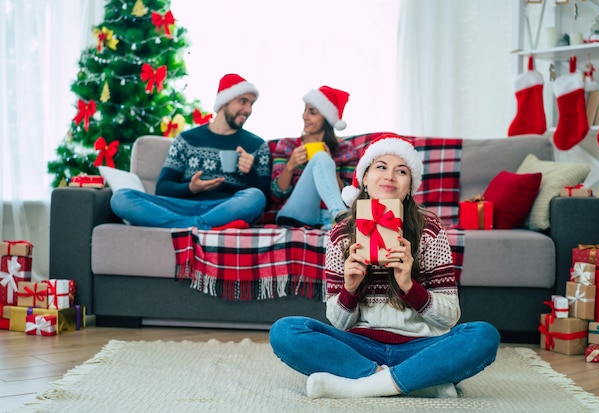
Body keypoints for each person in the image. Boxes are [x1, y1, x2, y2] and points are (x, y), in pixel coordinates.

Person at [269, 134, 500, 399]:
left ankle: (362, 385)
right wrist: (350, 289)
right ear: (365, 178)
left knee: (483, 335)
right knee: (285, 331)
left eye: (401, 171)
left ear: (410, 186)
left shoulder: (430, 230)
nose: (390, 176)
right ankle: (416, 381)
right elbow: (337, 321)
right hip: (360, 345)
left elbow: (450, 317)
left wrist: (409, 286)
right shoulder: (341, 234)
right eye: (381, 167)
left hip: (420, 345)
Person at [110, 73, 271, 230]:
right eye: (243, 101)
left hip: (224, 209)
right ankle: (197, 226)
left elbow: (264, 200)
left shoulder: (256, 145)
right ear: (224, 102)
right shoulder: (186, 140)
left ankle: (186, 227)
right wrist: (191, 188)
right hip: (180, 207)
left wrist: (250, 172)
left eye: (251, 104)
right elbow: (163, 189)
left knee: (255, 198)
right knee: (121, 198)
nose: (248, 110)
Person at [271, 86, 357, 229]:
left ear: (327, 117)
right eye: (305, 110)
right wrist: (290, 166)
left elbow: (351, 197)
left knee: (322, 158)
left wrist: (330, 166)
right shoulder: (287, 145)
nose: (304, 116)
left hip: (326, 217)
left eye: (312, 112)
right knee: (321, 158)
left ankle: (337, 220)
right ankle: (342, 217)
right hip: (295, 214)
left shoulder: (345, 149)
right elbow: (276, 195)